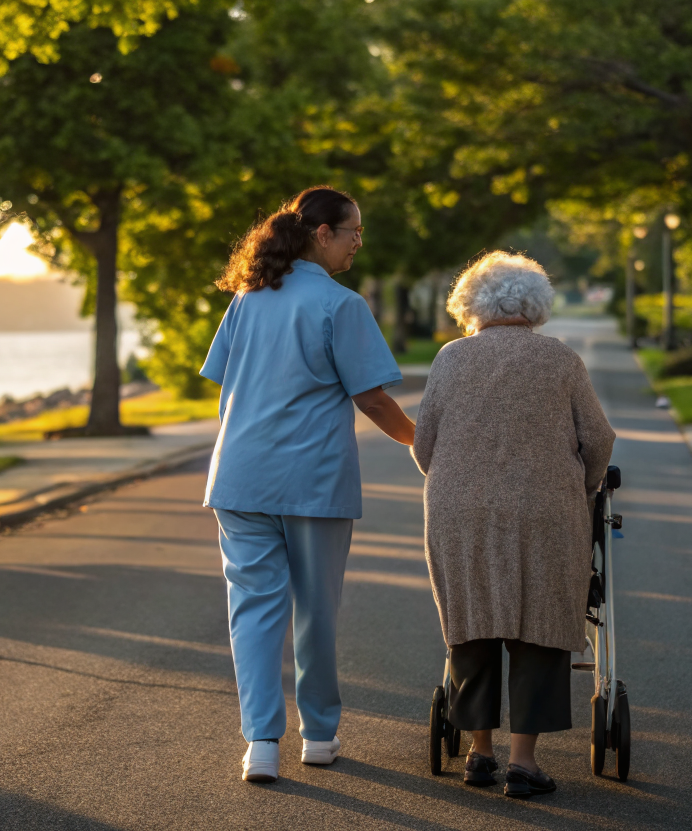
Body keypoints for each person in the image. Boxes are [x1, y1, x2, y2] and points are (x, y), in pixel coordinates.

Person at [200, 186, 416, 784]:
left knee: (252, 612)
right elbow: (371, 396)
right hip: (310, 480)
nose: (357, 244)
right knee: (315, 612)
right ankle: (318, 736)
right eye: (354, 233)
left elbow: (223, 384)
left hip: (239, 477)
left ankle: (260, 745)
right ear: (324, 234)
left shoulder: (247, 297)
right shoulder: (340, 305)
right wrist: (423, 443)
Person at [412, 251, 615, 799]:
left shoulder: (450, 359)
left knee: (472, 620)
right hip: (545, 511)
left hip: (460, 512)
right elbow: (598, 440)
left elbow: (423, 445)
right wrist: (588, 487)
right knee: (541, 625)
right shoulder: (561, 360)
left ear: (471, 303)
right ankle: (523, 762)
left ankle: (480, 753)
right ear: (536, 304)